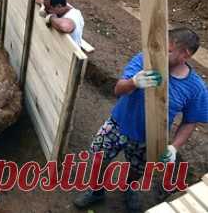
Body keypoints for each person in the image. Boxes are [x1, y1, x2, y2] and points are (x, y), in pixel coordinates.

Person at [73, 28, 208, 212]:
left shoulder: (195, 88)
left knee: (137, 170)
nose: (160, 52)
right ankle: (96, 190)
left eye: (168, 50)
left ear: (186, 54)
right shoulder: (145, 59)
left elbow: (190, 121)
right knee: (98, 158)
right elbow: (118, 90)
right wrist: (134, 83)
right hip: (118, 124)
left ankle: (128, 187)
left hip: (149, 139)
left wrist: (174, 146)